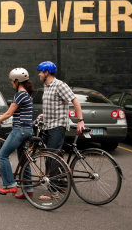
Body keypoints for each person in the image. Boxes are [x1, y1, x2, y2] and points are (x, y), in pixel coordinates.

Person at [37, 61, 85, 200]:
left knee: (52, 158)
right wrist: (45, 115)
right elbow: (56, 105)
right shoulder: (46, 86)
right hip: (48, 125)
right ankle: (60, 183)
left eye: (40, 72)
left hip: (57, 126)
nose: (39, 74)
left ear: (46, 72)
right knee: (51, 158)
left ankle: (53, 191)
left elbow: (75, 101)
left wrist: (80, 120)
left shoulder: (60, 85)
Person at [0, 68, 34, 199]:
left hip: (20, 129)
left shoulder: (20, 94)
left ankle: (9, 185)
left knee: (2, 155)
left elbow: (8, 113)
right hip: (28, 129)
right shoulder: (28, 94)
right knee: (23, 160)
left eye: (12, 81)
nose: (11, 83)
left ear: (17, 81)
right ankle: (28, 189)